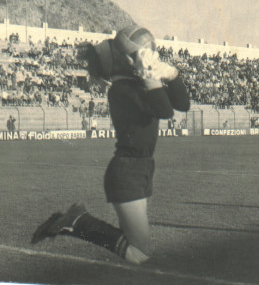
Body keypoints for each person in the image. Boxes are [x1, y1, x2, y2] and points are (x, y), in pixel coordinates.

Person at [31, 25, 190, 265]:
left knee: (137, 247)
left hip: (141, 168)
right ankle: (78, 222)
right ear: (126, 60)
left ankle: (76, 221)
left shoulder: (136, 85)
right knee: (141, 253)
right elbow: (164, 110)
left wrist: (172, 74)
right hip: (127, 172)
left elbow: (183, 104)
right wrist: (151, 76)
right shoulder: (121, 90)